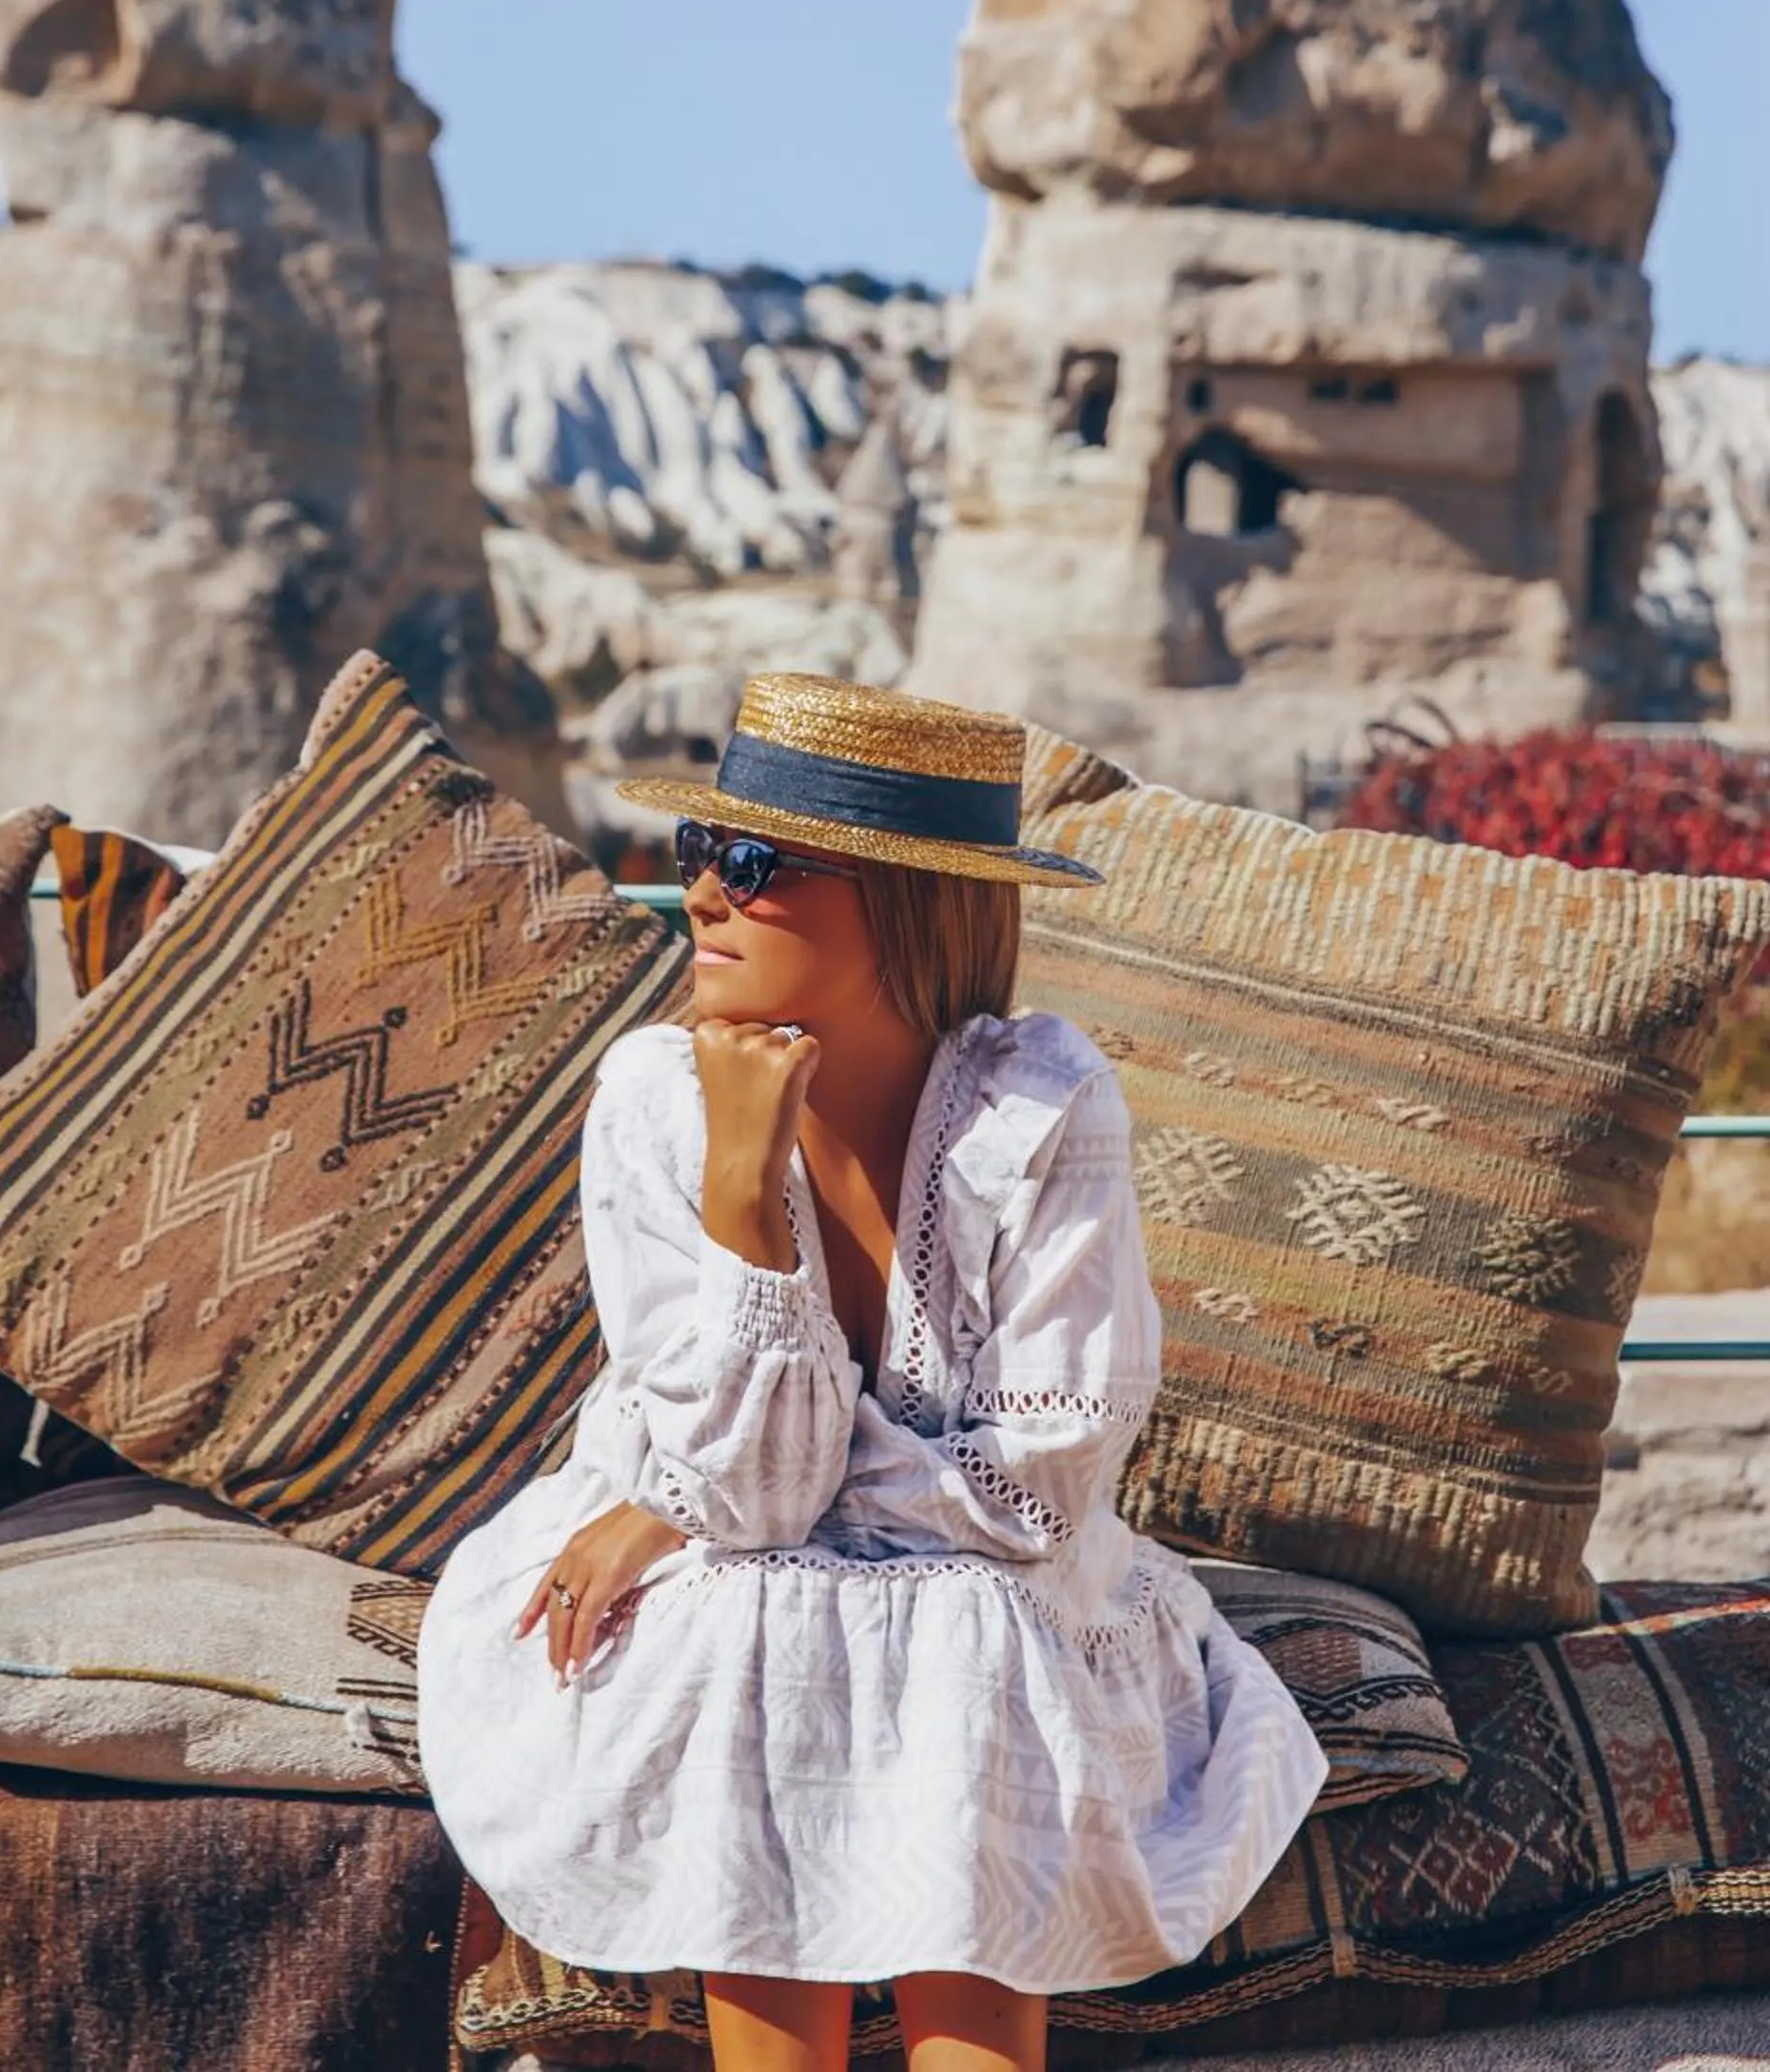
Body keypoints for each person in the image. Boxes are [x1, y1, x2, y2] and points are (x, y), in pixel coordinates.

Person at [419, 675, 1327, 2072]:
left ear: (906, 901)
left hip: (950, 1560)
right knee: (750, 1611)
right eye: (699, 856)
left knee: (964, 1625)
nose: (707, 898)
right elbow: (761, 1502)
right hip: (736, 1539)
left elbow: (1038, 1490)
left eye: (760, 863)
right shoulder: (656, 1105)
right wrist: (740, 1206)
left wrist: (688, 1503)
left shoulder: (1046, 1108)